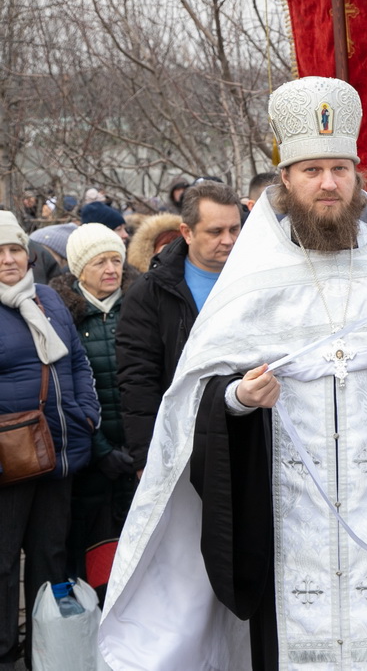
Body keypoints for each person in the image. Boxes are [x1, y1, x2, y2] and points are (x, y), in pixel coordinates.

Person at [101, 77, 367, 669]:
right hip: (285, 519)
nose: (328, 183)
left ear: (358, 176)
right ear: (285, 179)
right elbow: (195, 399)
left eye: (339, 168)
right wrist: (235, 398)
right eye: (311, 170)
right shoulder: (250, 280)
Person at [0, 211, 100, 668]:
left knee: (50, 557)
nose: (8, 260)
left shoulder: (48, 299)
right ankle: (5, 651)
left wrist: (87, 414)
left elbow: (77, 360)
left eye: (15, 249)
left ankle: (46, 651)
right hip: (10, 459)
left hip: (60, 453)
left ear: (29, 253)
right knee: (3, 564)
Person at [115, 181, 241, 477]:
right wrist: (145, 458)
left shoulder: (255, 283)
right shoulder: (150, 293)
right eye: (215, 231)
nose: (229, 240)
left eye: (235, 229)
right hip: (179, 442)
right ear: (187, 232)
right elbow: (138, 380)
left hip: (247, 436)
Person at [49, 224, 141, 594]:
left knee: (137, 544)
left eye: (116, 260)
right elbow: (66, 392)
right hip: (91, 458)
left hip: (138, 453)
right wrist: (101, 449)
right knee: (93, 548)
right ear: (79, 270)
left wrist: (140, 448)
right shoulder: (63, 318)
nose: (111, 269)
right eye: (100, 261)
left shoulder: (138, 308)